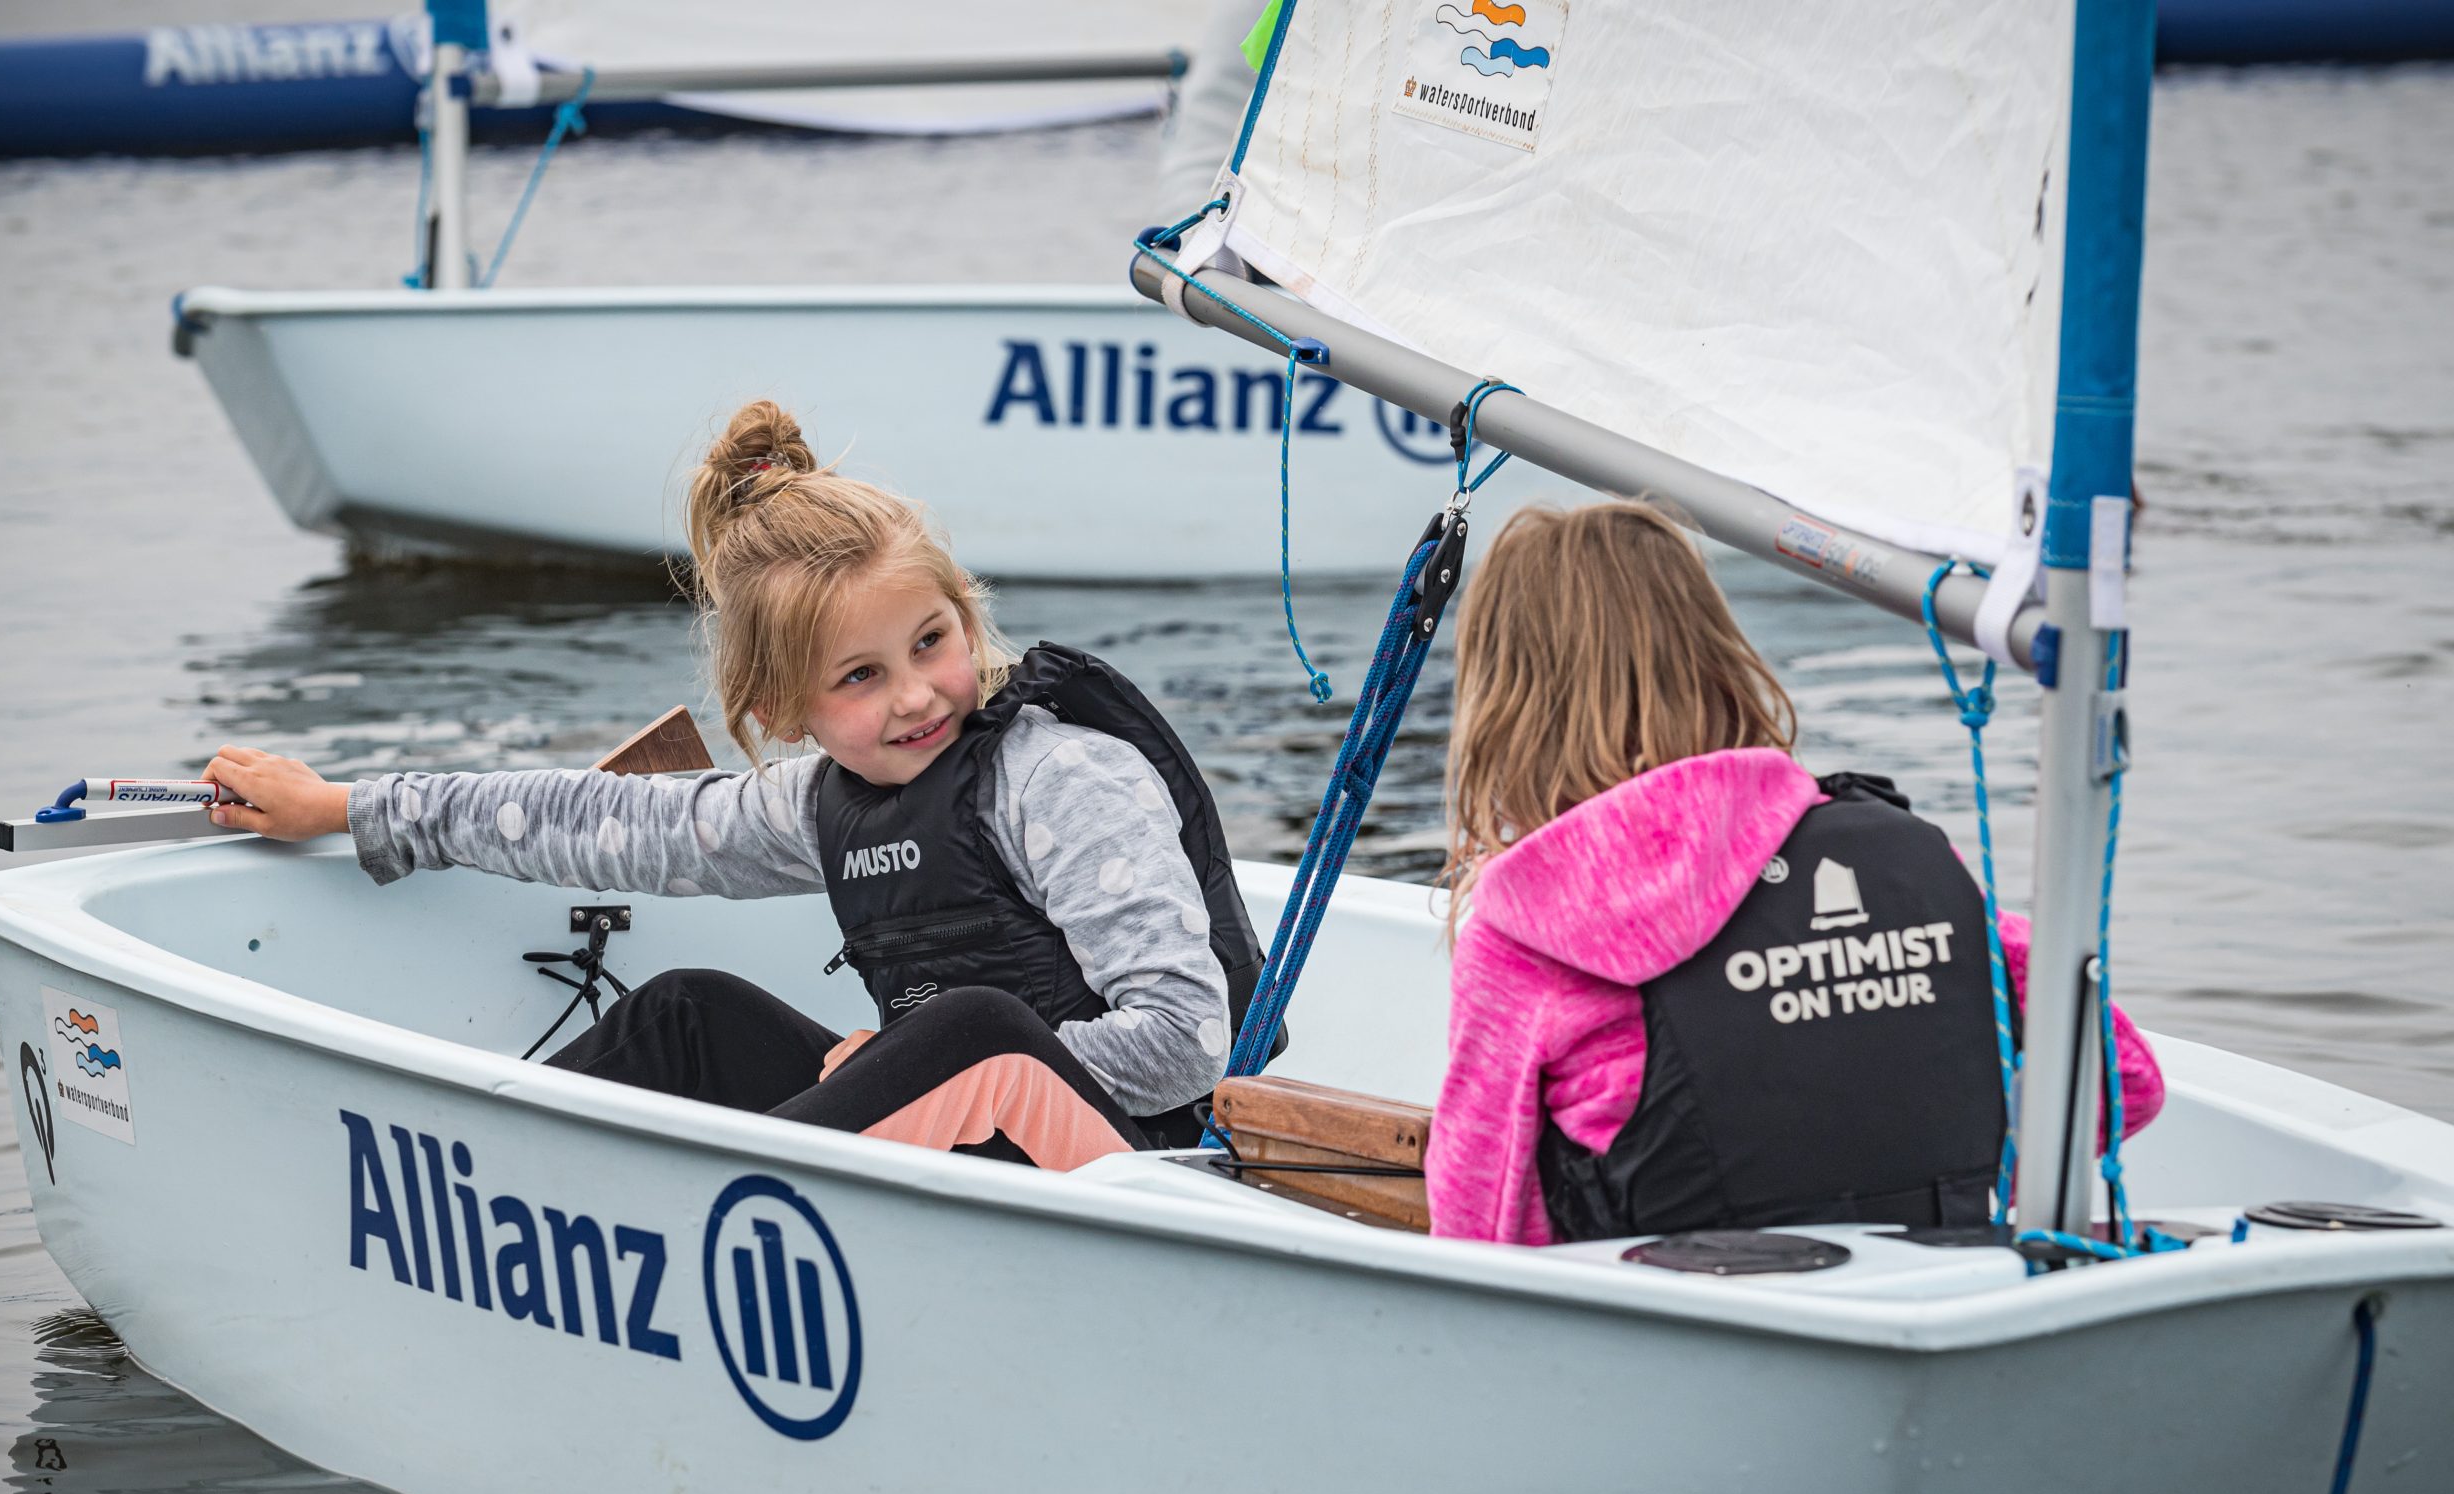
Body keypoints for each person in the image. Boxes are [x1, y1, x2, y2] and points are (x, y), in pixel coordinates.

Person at [202, 400, 1267, 1167]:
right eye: (859, 676)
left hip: (1135, 1171)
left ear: (964, 611)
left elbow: (1184, 1040)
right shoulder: (821, 802)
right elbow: (607, 822)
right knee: (689, 1011)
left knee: (971, 1027)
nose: (914, 695)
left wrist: (909, 1056)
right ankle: (471, 1174)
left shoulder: (1058, 776)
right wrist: (349, 806)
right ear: (783, 710)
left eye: (930, 640)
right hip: (962, 1157)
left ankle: (704, 1208)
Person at [1426, 501, 2164, 1244]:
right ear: (1714, 655)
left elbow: (1479, 1224)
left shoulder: (1525, 929)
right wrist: (1970, 1174)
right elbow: (2125, 1080)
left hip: (1672, 1306)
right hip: (1946, 1279)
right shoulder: (1896, 860)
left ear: (1503, 703)